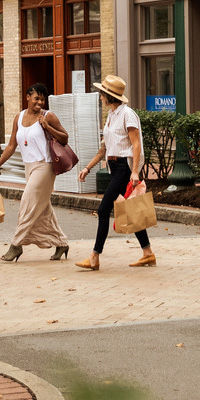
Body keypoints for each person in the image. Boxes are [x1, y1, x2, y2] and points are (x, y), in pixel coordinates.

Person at [75, 75, 154, 270]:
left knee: (103, 209)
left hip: (124, 167)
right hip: (114, 167)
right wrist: (88, 167)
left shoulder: (128, 114)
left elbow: (136, 144)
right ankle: (148, 253)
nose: (101, 96)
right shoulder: (111, 116)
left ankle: (94, 257)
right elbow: (104, 149)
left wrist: (134, 172)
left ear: (110, 95)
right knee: (130, 209)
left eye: (102, 93)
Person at [0, 83, 71, 262]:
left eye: (42, 99)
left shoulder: (48, 116)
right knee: (43, 210)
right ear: (27, 97)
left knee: (27, 204)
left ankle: (16, 245)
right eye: (36, 98)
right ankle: (61, 242)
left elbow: (65, 138)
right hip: (29, 167)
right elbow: (11, 145)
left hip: (45, 166)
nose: (40, 102)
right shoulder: (18, 118)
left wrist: (47, 127)